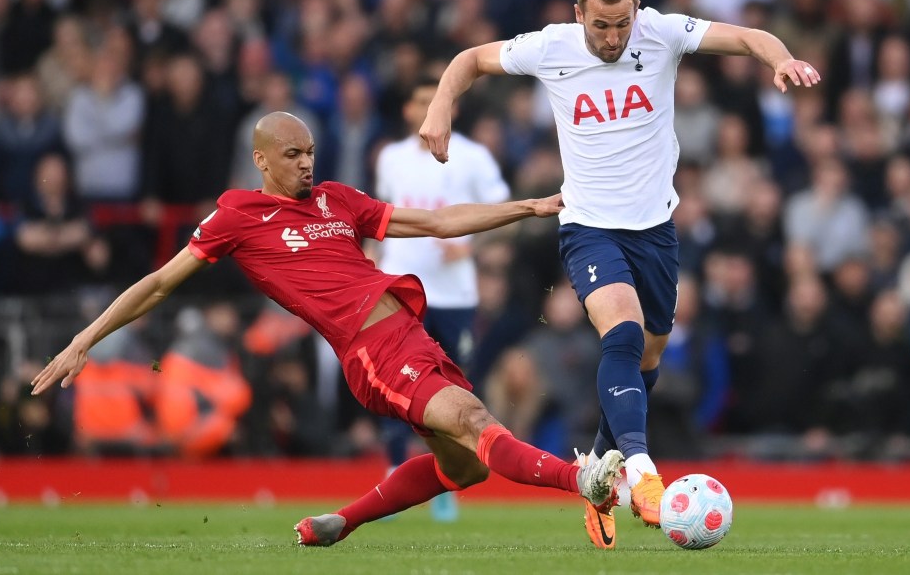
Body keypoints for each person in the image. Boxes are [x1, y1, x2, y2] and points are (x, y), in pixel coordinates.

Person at [31, 111, 624, 547]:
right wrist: (86, 338)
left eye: (310, 150)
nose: (306, 162)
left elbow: (439, 222)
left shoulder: (338, 200)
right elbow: (160, 282)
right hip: (370, 351)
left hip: (413, 338)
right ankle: (586, 479)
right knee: (475, 422)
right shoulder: (238, 213)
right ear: (262, 161)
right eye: (291, 154)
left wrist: (530, 207)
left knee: (465, 466)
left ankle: (345, 519)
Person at [418, 0, 821, 549]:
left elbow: (746, 37)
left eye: (622, 25)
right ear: (578, 14)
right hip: (587, 227)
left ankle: (600, 478)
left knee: (650, 354)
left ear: (637, 12)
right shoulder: (551, 46)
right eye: (601, 26)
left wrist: (780, 58)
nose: (612, 38)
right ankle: (640, 473)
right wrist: (439, 106)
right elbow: (469, 59)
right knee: (624, 337)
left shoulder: (661, 32)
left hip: (655, 229)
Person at [374, 74, 511, 521]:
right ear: (408, 111)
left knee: (454, 389)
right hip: (399, 294)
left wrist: (468, 246)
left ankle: (448, 479)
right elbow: (378, 220)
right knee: (394, 388)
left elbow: (504, 216)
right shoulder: (391, 159)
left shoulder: (472, 158)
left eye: (436, 101)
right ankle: (394, 475)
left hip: (454, 295)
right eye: (419, 100)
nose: (426, 109)